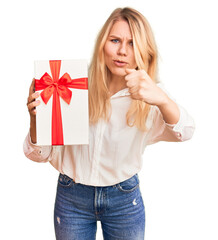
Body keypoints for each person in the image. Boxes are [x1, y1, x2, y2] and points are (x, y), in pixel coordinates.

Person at [24, 7, 195, 240]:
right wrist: (36, 120)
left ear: (144, 50)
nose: (122, 51)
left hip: (124, 199)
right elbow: (38, 156)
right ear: (103, 44)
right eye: (115, 40)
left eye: (133, 43)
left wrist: (163, 99)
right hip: (72, 196)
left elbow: (185, 132)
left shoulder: (150, 96)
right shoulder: (71, 86)